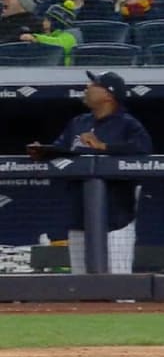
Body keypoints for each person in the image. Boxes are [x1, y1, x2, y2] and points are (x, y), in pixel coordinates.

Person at [30, 71, 153, 274]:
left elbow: (143, 154)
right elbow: (61, 148)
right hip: (80, 215)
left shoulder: (128, 124)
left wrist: (104, 147)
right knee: (80, 283)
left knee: (119, 287)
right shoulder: (79, 122)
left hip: (115, 219)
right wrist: (43, 152)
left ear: (108, 94)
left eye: (93, 84)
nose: (87, 86)